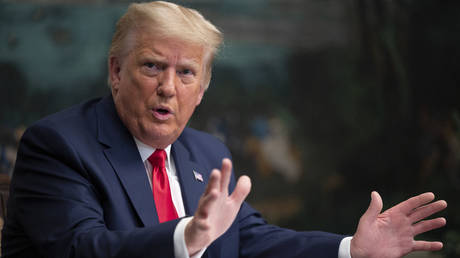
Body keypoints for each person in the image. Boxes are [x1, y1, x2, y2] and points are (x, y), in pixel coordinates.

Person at [1, 1, 447, 258]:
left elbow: (251, 239)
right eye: (152, 66)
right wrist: (185, 237)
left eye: (187, 73)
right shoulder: (58, 145)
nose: (168, 88)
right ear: (116, 71)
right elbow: (80, 250)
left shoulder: (207, 153)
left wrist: (351, 249)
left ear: (203, 89)